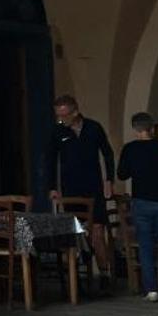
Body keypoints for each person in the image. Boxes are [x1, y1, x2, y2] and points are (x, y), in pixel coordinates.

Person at [116, 113, 158, 302]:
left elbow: (122, 174)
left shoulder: (130, 149)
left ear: (135, 129)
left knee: (145, 245)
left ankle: (152, 289)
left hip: (142, 201)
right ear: (151, 128)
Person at [49, 94, 116, 272]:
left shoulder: (93, 128)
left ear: (75, 112)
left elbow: (107, 153)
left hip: (94, 187)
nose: (61, 119)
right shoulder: (58, 131)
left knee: (97, 232)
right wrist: (52, 187)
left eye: (64, 115)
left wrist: (109, 179)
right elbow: (50, 159)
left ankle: (104, 273)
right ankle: (80, 272)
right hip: (71, 188)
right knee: (77, 233)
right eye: (58, 116)